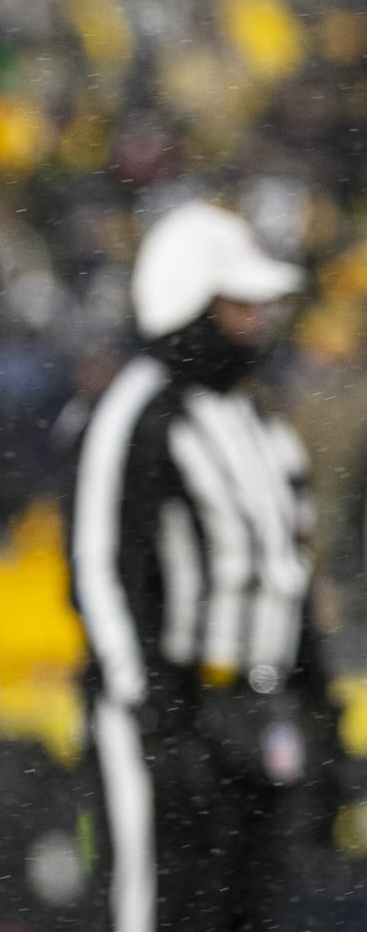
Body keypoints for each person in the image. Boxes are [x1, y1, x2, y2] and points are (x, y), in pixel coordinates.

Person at [65, 200, 349, 932]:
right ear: (188, 301)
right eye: (238, 303)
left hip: (256, 712)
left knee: (245, 910)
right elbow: (100, 564)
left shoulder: (259, 422)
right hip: (172, 711)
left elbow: (288, 575)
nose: (257, 321)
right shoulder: (137, 410)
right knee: (155, 909)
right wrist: (154, 709)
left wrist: (320, 708)